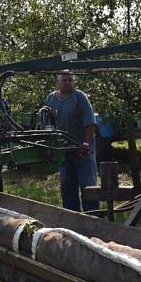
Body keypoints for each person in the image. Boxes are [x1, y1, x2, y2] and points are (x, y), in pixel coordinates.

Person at [45, 71, 98, 212]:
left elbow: (90, 124)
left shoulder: (79, 97)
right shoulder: (51, 98)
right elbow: (47, 124)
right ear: (58, 81)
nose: (67, 82)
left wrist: (86, 145)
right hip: (63, 151)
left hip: (82, 150)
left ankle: (93, 218)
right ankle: (72, 218)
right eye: (64, 80)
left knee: (88, 187)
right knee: (67, 187)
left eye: (70, 79)